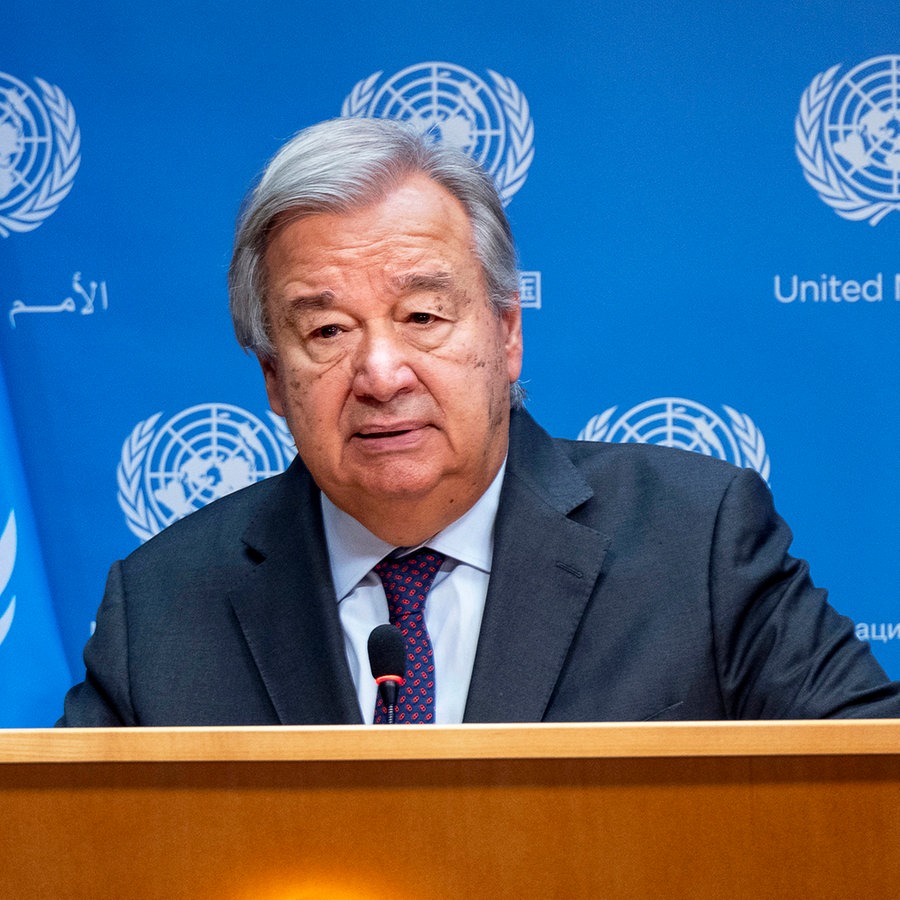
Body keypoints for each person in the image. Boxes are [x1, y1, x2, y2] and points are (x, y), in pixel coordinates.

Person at [59, 117, 900, 726]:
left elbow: (866, 793)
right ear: (275, 379)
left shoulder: (697, 545)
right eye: (326, 331)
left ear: (505, 333)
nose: (381, 374)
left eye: (423, 316)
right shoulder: (164, 607)